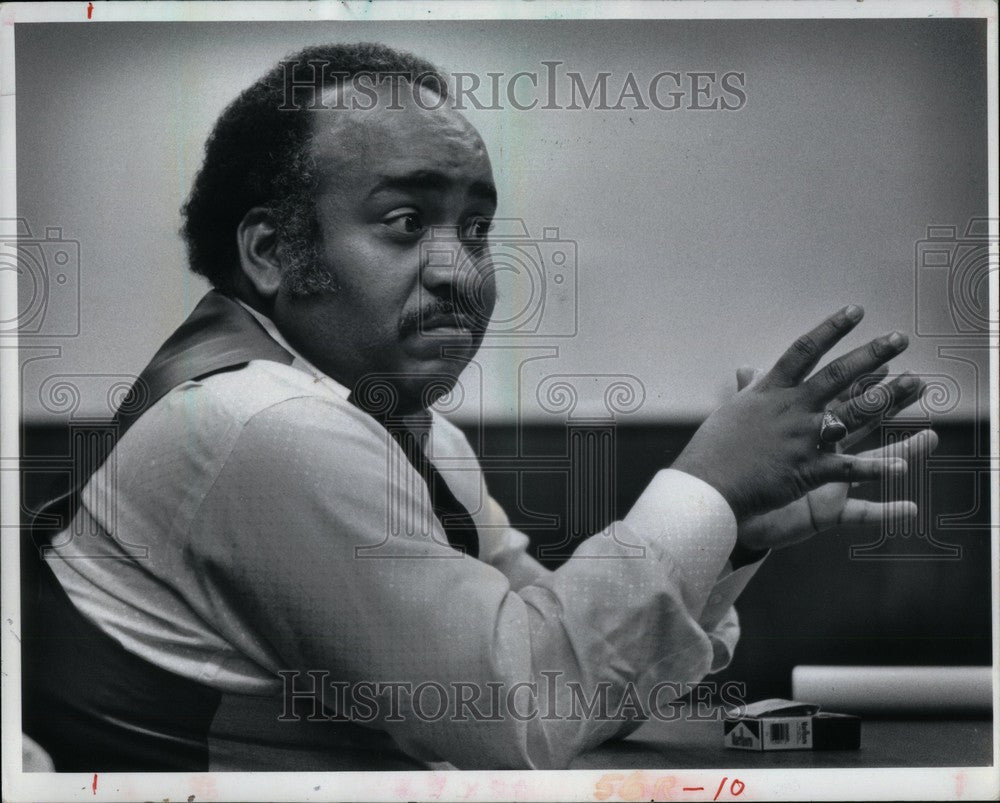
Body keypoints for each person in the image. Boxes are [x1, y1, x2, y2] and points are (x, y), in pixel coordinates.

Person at [21, 42, 936, 771]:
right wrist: (700, 485)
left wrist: (727, 530)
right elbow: (517, 718)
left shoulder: (411, 434)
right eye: (405, 222)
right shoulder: (266, 425)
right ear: (271, 252)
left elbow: (579, 684)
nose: (461, 270)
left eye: (476, 228)